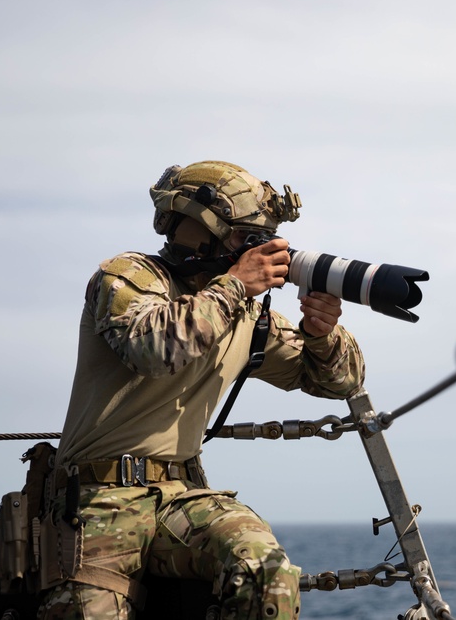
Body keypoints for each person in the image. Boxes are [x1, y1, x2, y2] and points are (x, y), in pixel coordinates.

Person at [36, 160, 366, 620]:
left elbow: (340, 381)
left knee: (266, 570)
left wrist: (321, 332)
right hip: (95, 502)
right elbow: (151, 348)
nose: (254, 250)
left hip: (180, 497)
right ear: (196, 226)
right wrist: (233, 286)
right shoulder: (129, 277)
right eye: (243, 238)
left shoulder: (242, 314)